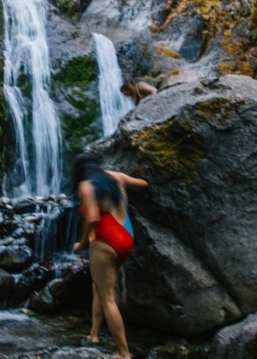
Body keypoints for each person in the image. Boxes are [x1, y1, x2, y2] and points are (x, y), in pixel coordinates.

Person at [72, 152, 148, 359]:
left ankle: (124, 353)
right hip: (127, 236)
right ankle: (94, 334)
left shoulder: (86, 185)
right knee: (98, 285)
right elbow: (143, 184)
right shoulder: (115, 177)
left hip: (106, 241)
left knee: (108, 298)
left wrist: (82, 242)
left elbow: (93, 218)